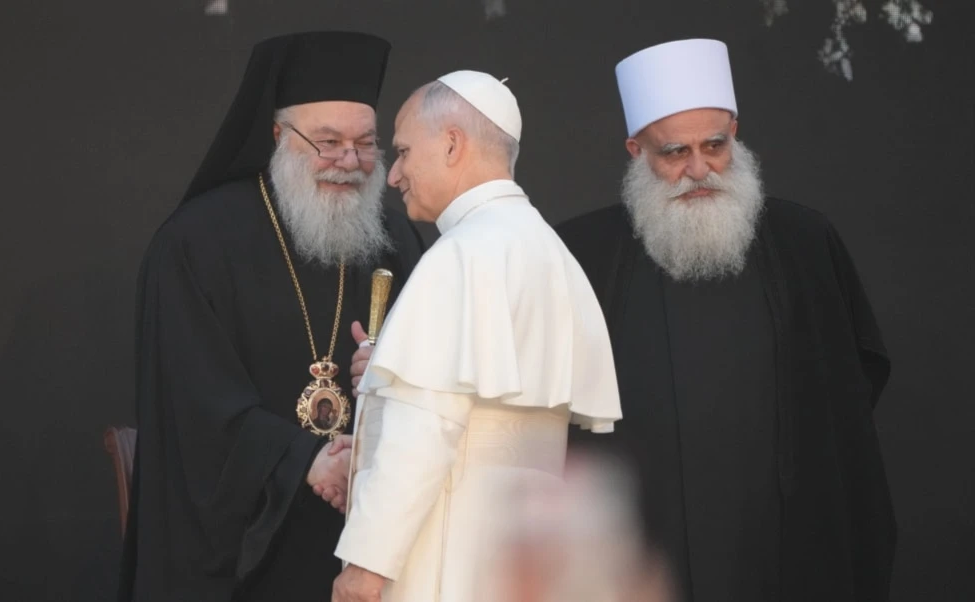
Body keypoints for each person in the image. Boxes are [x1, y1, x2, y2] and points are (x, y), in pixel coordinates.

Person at [557, 39, 896, 602]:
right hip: (643, 547)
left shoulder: (804, 242)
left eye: (715, 145)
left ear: (735, 133)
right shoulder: (580, 252)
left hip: (782, 539)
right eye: (673, 153)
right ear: (635, 150)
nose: (699, 170)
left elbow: (851, 390)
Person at [117, 31, 426, 602]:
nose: (351, 163)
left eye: (366, 144)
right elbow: (190, 398)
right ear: (280, 135)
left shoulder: (392, 238)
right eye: (328, 142)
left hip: (366, 531)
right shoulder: (197, 242)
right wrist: (304, 459)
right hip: (248, 539)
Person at [330, 71, 623, 602]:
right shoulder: (547, 248)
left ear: (451, 144)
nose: (393, 174)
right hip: (519, 571)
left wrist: (365, 568)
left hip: (446, 565)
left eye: (402, 152)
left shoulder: (461, 256)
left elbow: (420, 437)